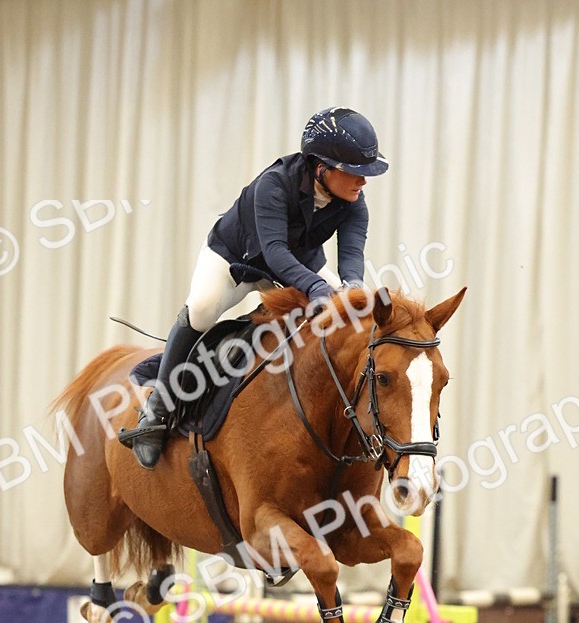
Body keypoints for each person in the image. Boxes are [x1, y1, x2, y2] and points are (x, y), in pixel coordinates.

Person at [125, 106, 389, 468]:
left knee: (347, 319)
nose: (363, 181)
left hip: (297, 266)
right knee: (201, 308)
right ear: (322, 168)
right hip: (237, 258)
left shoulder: (354, 202)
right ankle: (157, 410)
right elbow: (273, 252)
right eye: (354, 172)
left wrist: (353, 292)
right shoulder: (274, 185)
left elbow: (351, 258)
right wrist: (316, 288)